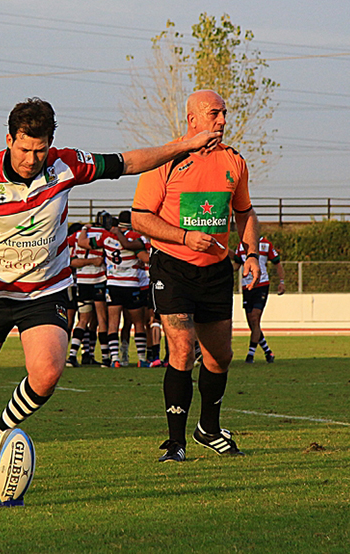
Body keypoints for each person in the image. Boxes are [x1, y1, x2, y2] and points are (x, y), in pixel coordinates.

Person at [0, 97, 221, 486]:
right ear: (9, 140)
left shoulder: (66, 164)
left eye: (40, 150)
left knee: (48, 373)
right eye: (24, 149)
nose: (31, 158)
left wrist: (183, 144)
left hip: (46, 290)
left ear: (50, 143)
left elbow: (126, 162)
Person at [131, 90, 261, 462]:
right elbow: (140, 217)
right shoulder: (166, 160)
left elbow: (245, 213)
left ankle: (208, 428)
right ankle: (175, 443)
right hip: (172, 267)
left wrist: (251, 254)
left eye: (224, 114)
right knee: (183, 348)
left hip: (216, 272)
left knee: (219, 357)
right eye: (214, 114)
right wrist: (185, 237)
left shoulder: (234, 161)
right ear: (192, 119)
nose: (222, 120)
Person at [100, 210, 150, 367]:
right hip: (131, 285)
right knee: (138, 323)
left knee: (113, 323)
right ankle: (141, 359)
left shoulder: (106, 236)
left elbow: (85, 243)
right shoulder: (135, 238)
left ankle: (115, 359)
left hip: (113, 284)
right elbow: (146, 258)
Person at [67, 217, 108, 367]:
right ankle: (106, 358)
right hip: (97, 281)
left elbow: (71, 260)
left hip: (81, 282)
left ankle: (75, 355)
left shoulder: (77, 236)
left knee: (83, 320)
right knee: (101, 319)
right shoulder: (104, 234)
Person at [236, 238, 284, 363]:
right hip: (246, 287)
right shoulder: (241, 245)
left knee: (254, 317)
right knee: (252, 323)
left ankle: (250, 354)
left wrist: (281, 282)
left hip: (261, 285)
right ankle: (268, 352)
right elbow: (236, 264)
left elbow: (277, 263)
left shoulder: (266, 244)